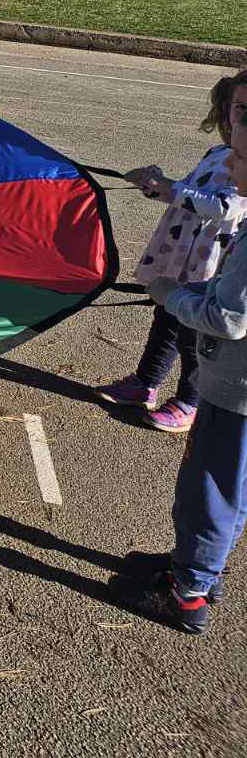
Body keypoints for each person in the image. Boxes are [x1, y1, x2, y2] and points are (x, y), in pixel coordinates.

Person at [118, 139, 247, 635]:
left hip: (234, 393)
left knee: (209, 491)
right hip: (235, 388)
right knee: (231, 490)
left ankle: (187, 594)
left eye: (241, 156)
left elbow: (228, 318)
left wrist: (172, 295)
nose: (230, 162)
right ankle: (199, 568)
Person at [99, 71, 247, 433]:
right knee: (165, 318)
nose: (242, 116)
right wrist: (155, 186)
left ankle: (190, 399)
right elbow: (189, 194)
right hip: (182, 251)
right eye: (240, 107)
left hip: (211, 259)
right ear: (227, 109)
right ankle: (145, 382)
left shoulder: (244, 159)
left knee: (194, 333)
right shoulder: (220, 154)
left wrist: (171, 188)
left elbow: (225, 207)